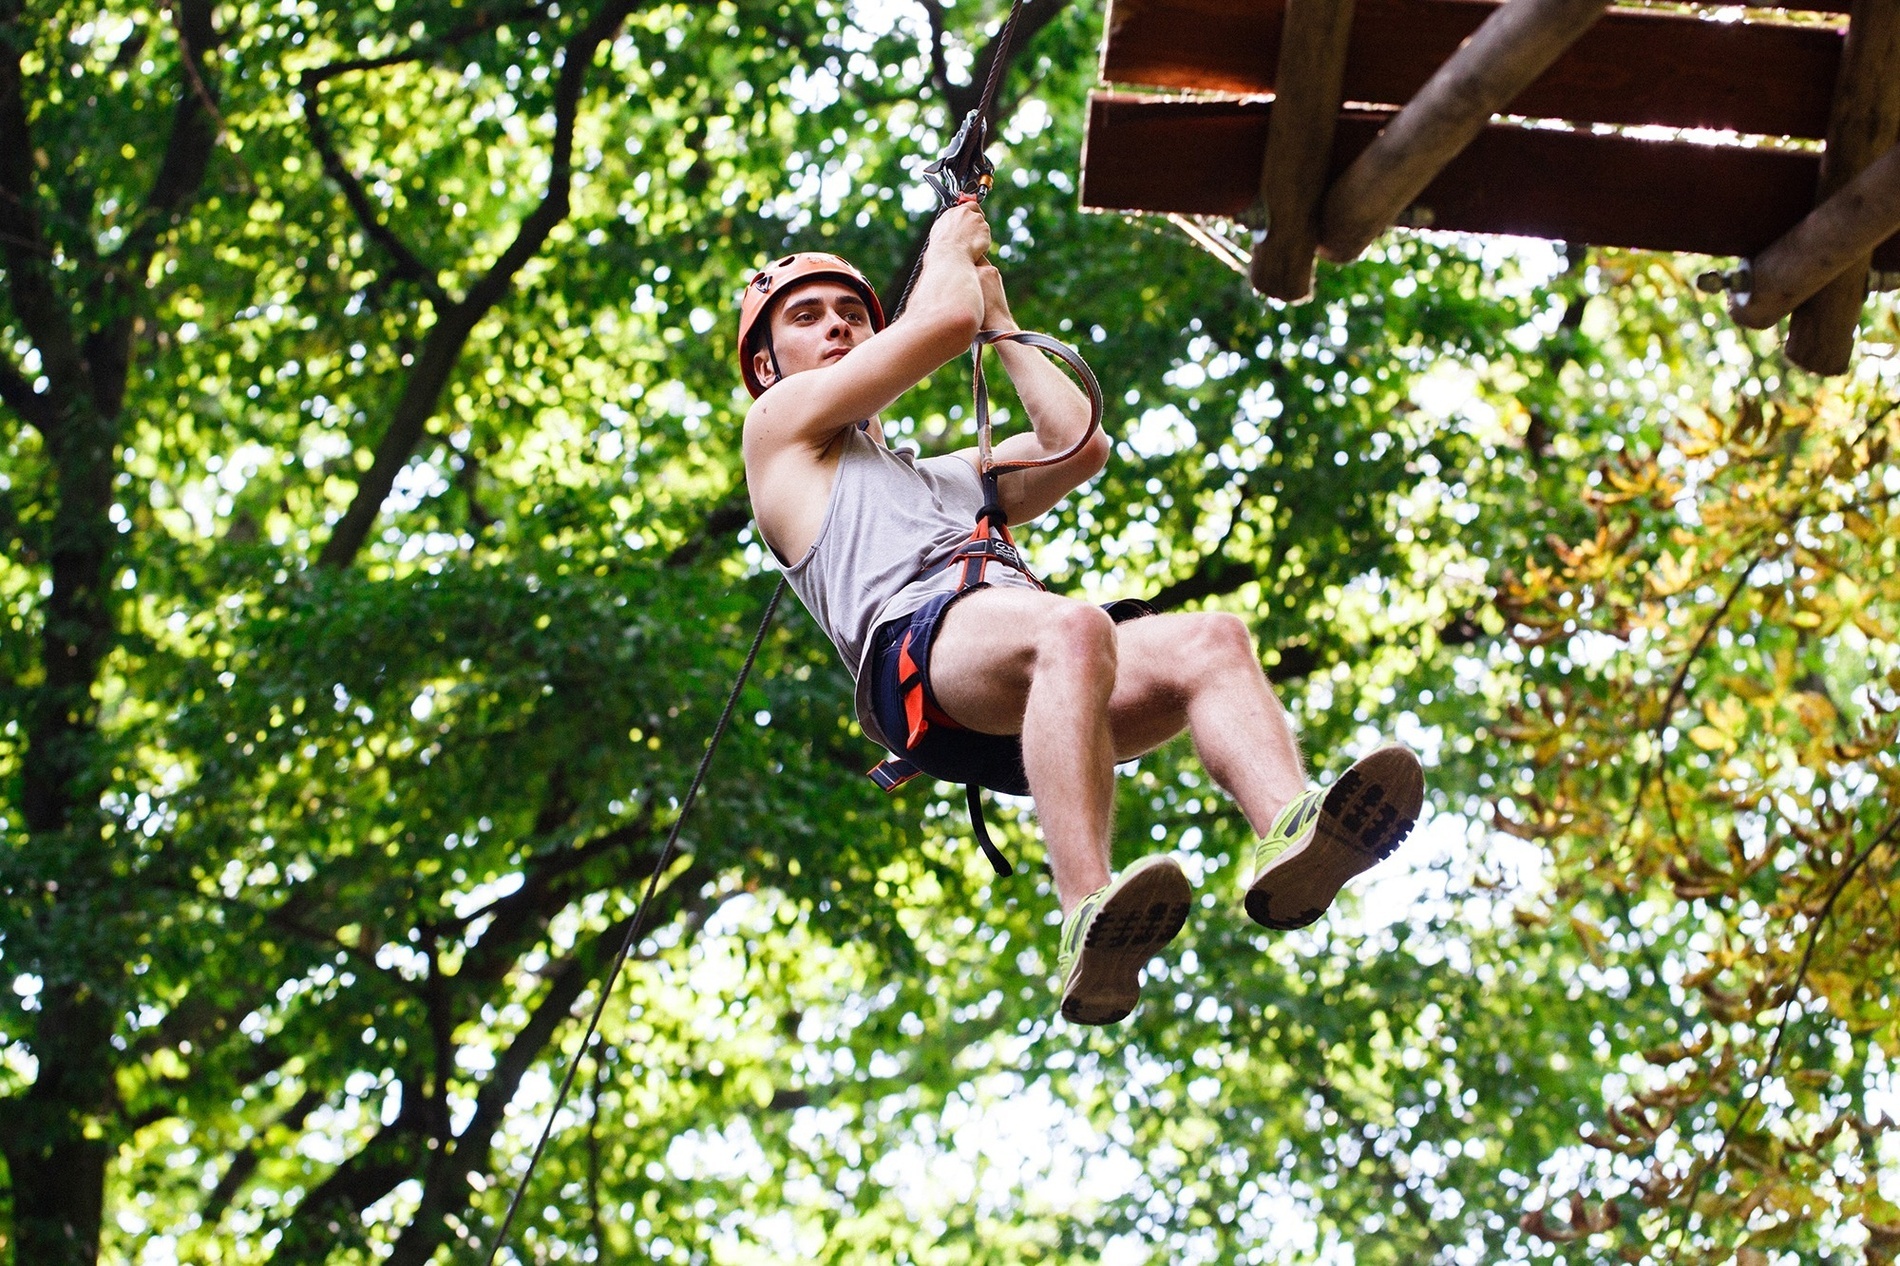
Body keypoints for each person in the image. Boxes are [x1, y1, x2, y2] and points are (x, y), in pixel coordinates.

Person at [738, 202, 1422, 1026]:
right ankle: (1085, 911)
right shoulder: (776, 430)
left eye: (853, 313)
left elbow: (1077, 443)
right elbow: (941, 320)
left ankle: (1291, 831)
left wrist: (999, 319)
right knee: (1074, 624)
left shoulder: (950, 478)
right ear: (770, 367)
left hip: (1024, 681)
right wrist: (949, 250)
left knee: (1211, 640)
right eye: (807, 318)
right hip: (919, 663)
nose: (839, 327)